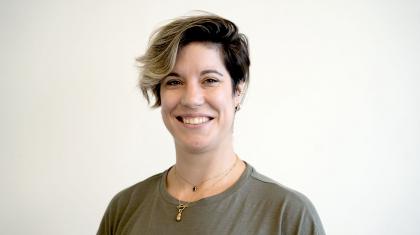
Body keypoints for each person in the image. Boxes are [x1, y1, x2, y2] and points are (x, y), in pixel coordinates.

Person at [97, 12, 325, 235]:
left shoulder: (289, 216)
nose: (191, 99)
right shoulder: (124, 209)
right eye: (174, 81)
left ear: (237, 90)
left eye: (210, 80)